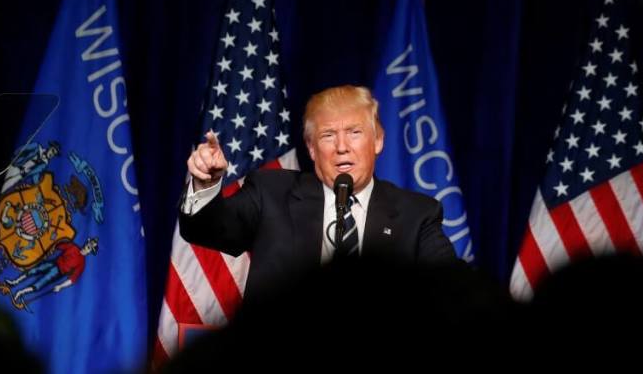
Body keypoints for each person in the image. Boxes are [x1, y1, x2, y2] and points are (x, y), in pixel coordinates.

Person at [180, 84, 457, 302]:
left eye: (354, 132)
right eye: (328, 135)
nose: (342, 146)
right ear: (312, 149)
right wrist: (205, 183)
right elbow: (207, 229)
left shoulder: (417, 214)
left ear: (378, 141)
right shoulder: (272, 192)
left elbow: (452, 288)